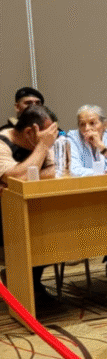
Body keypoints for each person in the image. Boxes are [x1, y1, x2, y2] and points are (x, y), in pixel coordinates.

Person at [0, 105, 57, 302]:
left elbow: (57, 170)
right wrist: (41, 147)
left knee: (57, 228)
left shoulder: (41, 142)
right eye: (47, 135)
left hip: (34, 209)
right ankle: (21, 283)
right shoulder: (2, 143)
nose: (51, 139)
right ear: (29, 132)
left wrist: (25, 175)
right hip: (4, 216)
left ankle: (31, 282)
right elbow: (15, 177)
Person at [67, 105, 107, 176]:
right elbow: (73, 170)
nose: (87, 128)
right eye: (82, 124)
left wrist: (103, 148)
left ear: (105, 125)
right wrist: (102, 174)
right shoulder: (73, 138)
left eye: (92, 123)